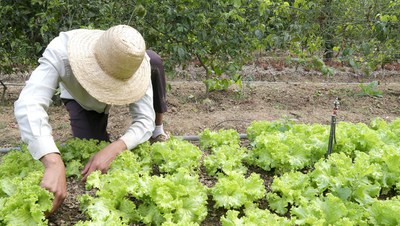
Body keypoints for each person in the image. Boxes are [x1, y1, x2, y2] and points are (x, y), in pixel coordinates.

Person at [14, 25, 160, 216]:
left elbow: (144, 119)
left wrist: (116, 147)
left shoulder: (134, 63)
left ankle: (161, 130)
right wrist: (53, 161)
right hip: (79, 98)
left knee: (156, 61)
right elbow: (29, 103)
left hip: (142, 66)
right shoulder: (61, 51)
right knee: (90, 151)